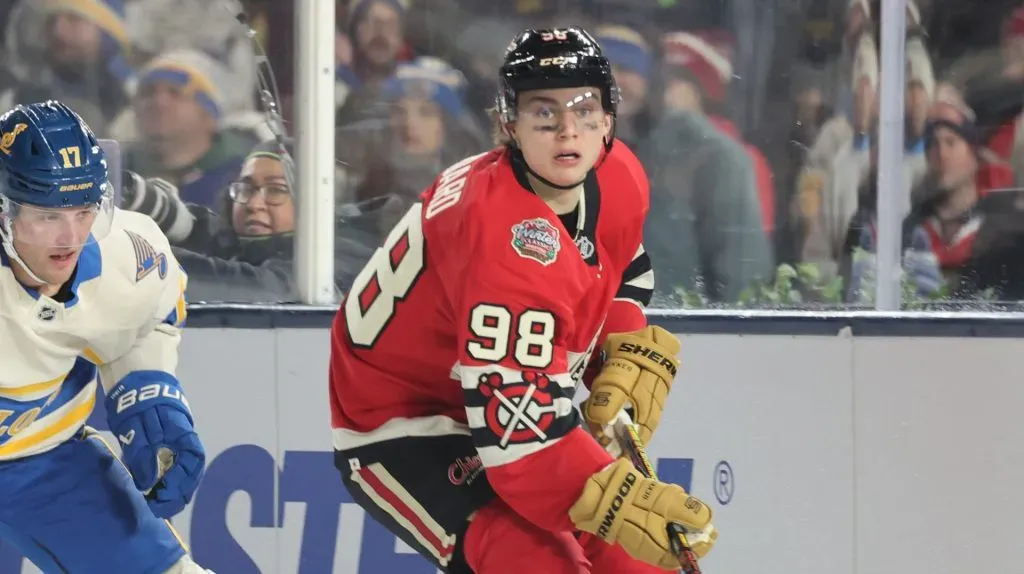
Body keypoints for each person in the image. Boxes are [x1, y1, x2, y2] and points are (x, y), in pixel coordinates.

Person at [329, 27, 718, 574]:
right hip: (405, 426)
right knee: (538, 563)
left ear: (610, 120)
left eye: (585, 112)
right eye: (544, 113)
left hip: (507, 388)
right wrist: (622, 500)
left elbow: (618, 268)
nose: (567, 131)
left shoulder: (618, 175)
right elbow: (523, 448)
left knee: (635, 564)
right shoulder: (503, 237)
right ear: (508, 124)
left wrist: (621, 346)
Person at [0, 101, 209, 573]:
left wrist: (145, 386)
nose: (70, 237)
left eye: (83, 208)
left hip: (41, 455)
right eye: (46, 214)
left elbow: (153, 312)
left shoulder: (127, 257)